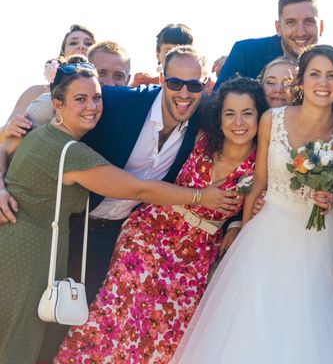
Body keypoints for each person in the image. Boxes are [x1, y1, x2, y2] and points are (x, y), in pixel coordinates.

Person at [0, 63, 234, 364]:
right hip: (27, 248)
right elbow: (137, 189)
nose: (93, 106)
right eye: (80, 100)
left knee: (42, 332)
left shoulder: (56, 137)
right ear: (58, 103)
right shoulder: (66, 148)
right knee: (19, 337)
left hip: (50, 244)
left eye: (96, 99)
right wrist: (203, 197)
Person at [174, 45, 333, 364]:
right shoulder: (273, 119)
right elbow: (258, 185)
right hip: (268, 232)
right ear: (300, 81)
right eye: (314, 74)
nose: (322, 82)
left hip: (322, 239)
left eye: (331, 76)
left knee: (316, 325)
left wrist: (332, 198)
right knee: (255, 327)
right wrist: (241, 231)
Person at [55, 77, 267, 363]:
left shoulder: (262, 165)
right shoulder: (201, 138)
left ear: (260, 116)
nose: (238, 122)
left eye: (247, 113)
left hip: (196, 254)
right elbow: (48, 103)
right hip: (149, 233)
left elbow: (258, 205)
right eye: (230, 113)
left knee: (165, 334)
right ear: (218, 117)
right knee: (115, 317)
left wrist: (236, 223)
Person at [0, 24, 95, 143]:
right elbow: (3, 138)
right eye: (73, 43)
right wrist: (7, 129)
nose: (81, 46)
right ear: (62, 53)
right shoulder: (36, 91)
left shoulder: (101, 98)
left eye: (88, 44)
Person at [214, 0, 323, 89]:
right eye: (291, 22)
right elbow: (217, 104)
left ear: (321, 27)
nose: (301, 32)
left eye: (309, 21)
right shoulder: (246, 54)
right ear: (278, 28)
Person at [20, 42, 132, 130]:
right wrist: (7, 131)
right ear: (87, 71)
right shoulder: (49, 105)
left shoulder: (131, 108)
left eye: (119, 76)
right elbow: (8, 145)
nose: (109, 83)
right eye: (101, 73)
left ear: (127, 80)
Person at [130, 23, 194, 87]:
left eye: (182, 51)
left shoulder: (200, 89)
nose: (175, 57)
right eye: (169, 52)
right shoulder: (144, 88)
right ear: (158, 55)